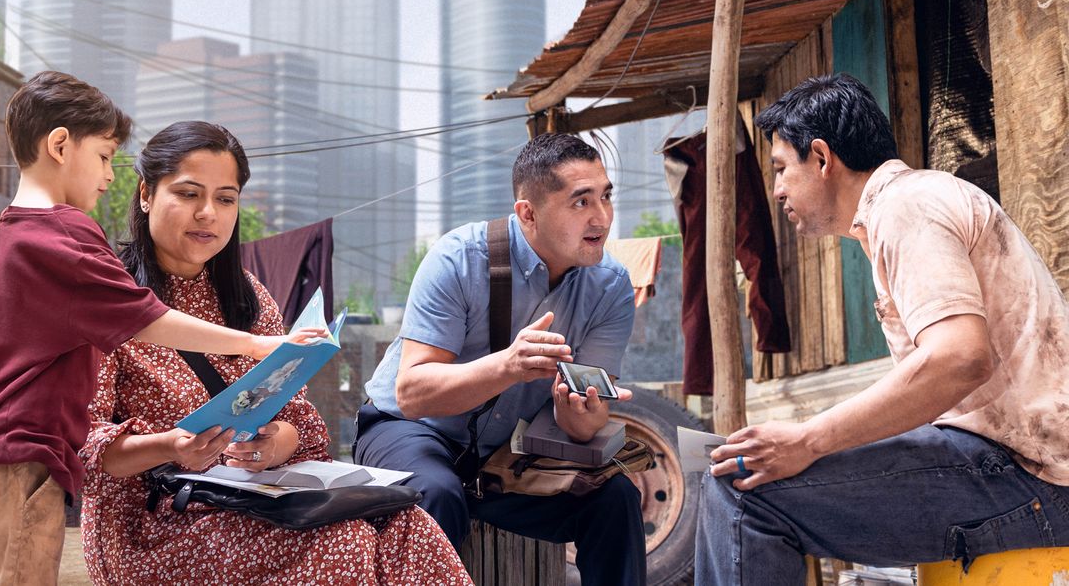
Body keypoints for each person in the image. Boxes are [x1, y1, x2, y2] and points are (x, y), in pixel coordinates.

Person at [0, 73, 307, 586]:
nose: (110, 176)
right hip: (18, 452)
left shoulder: (2, 244)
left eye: (226, 198)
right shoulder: (67, 235)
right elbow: (146, 317)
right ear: (61, 145)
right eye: (105, 156)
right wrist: (259, 344)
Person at [695, 73, 1069, 585]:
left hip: (1036, 480)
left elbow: (960, 358)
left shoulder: (906, 206)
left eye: (781, 169)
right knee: (752, 465)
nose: (778, 189)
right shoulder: (911, 204)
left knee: (740, 489)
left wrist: (808, 438)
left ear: (823, 159)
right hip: (1015, 466)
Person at [80, 121, 472, 585]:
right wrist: (172, 447)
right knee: (344, 542)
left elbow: (304, 428)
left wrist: (270, 445)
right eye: (188, 194)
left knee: (411, 525)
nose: (208, 213)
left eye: (225, 198)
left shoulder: (248, 299)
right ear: (146, 194)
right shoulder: (105, 298)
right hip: (153, 521)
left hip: (251, 495)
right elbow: (82, 448)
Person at [355, 132, 647, 585]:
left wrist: (581, 414)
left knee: (615, 497)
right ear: (527, 213)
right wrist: (508, 366)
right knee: (436, 492)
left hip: (507, 455)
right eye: (580, 202)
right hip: (410, 431)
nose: (602, 218)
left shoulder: (610, 287)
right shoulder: (459, 259)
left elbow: (585, 425)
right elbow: (411, 394)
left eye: (606, 197)